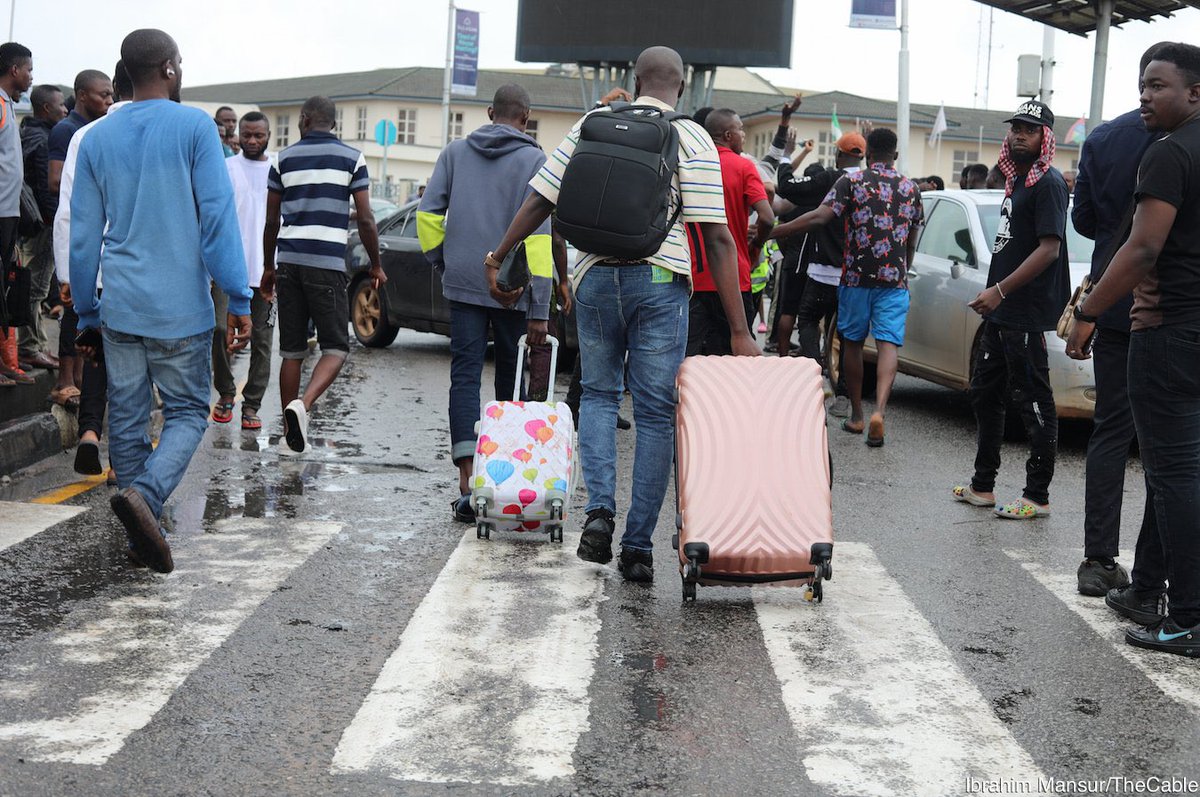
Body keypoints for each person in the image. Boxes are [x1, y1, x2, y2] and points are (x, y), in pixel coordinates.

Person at [487, 46, 758, 582]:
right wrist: (738, 329)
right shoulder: (693, 136)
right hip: (659, 282)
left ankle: (599, 515)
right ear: (681, 87)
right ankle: (637, 546)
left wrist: (499, 256)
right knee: (656, 412)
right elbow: (719, 239)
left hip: (594, 280)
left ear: (635, 81)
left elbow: (541, 198)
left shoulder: (593, 121)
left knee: (601, 395)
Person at [70, 30, 253, 573]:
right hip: (180, 308)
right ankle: (146, 499)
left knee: (126, 417)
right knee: (190, 410)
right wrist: (239, 294)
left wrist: (86, 310)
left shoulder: (99, 137)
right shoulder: (195, 126)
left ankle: (139, 538)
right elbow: (216, 219)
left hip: (120, 304)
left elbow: (83, 236)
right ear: (170, 69)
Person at [1066, 42, 1200, 657]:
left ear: (1194, 93)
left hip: (1165, 329)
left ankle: (1187, 614)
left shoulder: (1169, 153)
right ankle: (1148, 589)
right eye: (1143, 84)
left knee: (1169, 474)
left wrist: (1089, 311)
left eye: (1159, 85)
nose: (1146, 95)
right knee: (1180, 471)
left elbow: (1139, 247)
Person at [416, 84, 555, 521]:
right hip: (514, 288)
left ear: (491, 112)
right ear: (527, 118)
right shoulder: (535, 160)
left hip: (464, 281)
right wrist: (540, 309)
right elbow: (540, 240)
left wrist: (448, 264)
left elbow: (427, 216)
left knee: (465, 375)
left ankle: (466, 479)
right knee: (511, 386)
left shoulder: (455, 153)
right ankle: (502, 481)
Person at [1071, 43, 1167, 597]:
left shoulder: (1105, 137)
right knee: (1172, 440)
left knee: (1111, 430)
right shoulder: (1182, 140)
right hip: (1168, 301)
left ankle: (1098, 559)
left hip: (1111, 297)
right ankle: (1158, 566)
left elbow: (1083, 219)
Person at [770, 127, 923, 447]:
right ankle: (879, 410)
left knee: (851, 343)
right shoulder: (911, 188)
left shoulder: (851, 182)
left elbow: (818, 217)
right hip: (894, 281)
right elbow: (911, 239)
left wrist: (773, 233)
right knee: (888, 346)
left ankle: (856, 415)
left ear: (867, 155)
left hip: (855, 278)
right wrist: (903, 269)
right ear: (895, 156)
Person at [955, 100, 1069, 519]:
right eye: (1016, 128)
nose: (1020, 135)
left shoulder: (1049, 184)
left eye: (1030, 129)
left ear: (1045, 138)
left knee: (1034, 401)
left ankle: (1037, 495)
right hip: (1001, 313)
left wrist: (1000, 291)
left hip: (1023, 310)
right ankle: (982, 485)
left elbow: (1050, 249)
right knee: (984, 393)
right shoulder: (1016, 182)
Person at [262, 95, 384, 454]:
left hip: (289, 261)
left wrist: (269, 267)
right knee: (335, 347)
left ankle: (289, 433)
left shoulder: (282, 159)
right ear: (333, 123)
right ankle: (304, 405)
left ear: (303, 119)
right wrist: (375, 264)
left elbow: (271, 221)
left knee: (292, 351)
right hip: (327, 263)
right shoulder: (352, 158)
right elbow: (364, 218)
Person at [54, 61, 134, 479]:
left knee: (98, 357)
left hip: (92, 270)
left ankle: (88, 433)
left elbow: (68, 212)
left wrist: (68, 275)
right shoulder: (155, 133)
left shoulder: (85, 137)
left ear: (115, 88)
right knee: (133, 365)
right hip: (136, 270)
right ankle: (122, 458)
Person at [774, 131, 865, 416]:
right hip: (855, 275)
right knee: (849, 335)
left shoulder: (831, 180)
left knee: (809, 321)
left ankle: (814, 381)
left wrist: (788, 154)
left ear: (838, 155)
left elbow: (786, 186)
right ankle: (845, 397)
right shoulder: (871, 183)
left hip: (823, 272)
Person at [47, 68, 113, 406]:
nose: (109, 100)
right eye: (103, 94)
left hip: (95, 241)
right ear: (82, 94)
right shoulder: (69, 131)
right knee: (74, 311)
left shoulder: (98, 131)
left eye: (112, 94)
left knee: (88, 316)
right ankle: (64, 380)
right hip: (78, 235)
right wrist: (65, 267)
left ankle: (86, 383)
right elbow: (61, 191)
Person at [685, 108, 773, 355]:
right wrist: (755, 246)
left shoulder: (691, 165)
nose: (743, 134)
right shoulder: (744, 167)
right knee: (736, 360)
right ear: (727, 135)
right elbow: (767, 217)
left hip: (693, 277)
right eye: (740, 129)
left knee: (687, 361)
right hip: (734, 277)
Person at [213, 111, 274, 430]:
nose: (252, 141)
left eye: (258, 136)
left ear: (268, 135)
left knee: (263, 341)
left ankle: (251, 405)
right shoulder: (226, 168)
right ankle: (225, 392)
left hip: (267, 271)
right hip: (227, 269)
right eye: (247, 135)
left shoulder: (278, 170)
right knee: (219, 330)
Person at [17, 83, 66, 373]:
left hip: (29, 224)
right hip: (42, 226)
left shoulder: (28, 133)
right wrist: (54, 222)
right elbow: (47, 189)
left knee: (34, 285)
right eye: (60, 105)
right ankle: (30, 346)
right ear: (46, 108)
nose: (64, 109)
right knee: (36, 288)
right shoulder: (45, 140)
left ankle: (38, 343)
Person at [0, 42, 33, 389]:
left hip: (8, 213)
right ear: (14, 70)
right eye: (28, 70)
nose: (30, 77)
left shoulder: (8, 105)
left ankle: (7, 360)